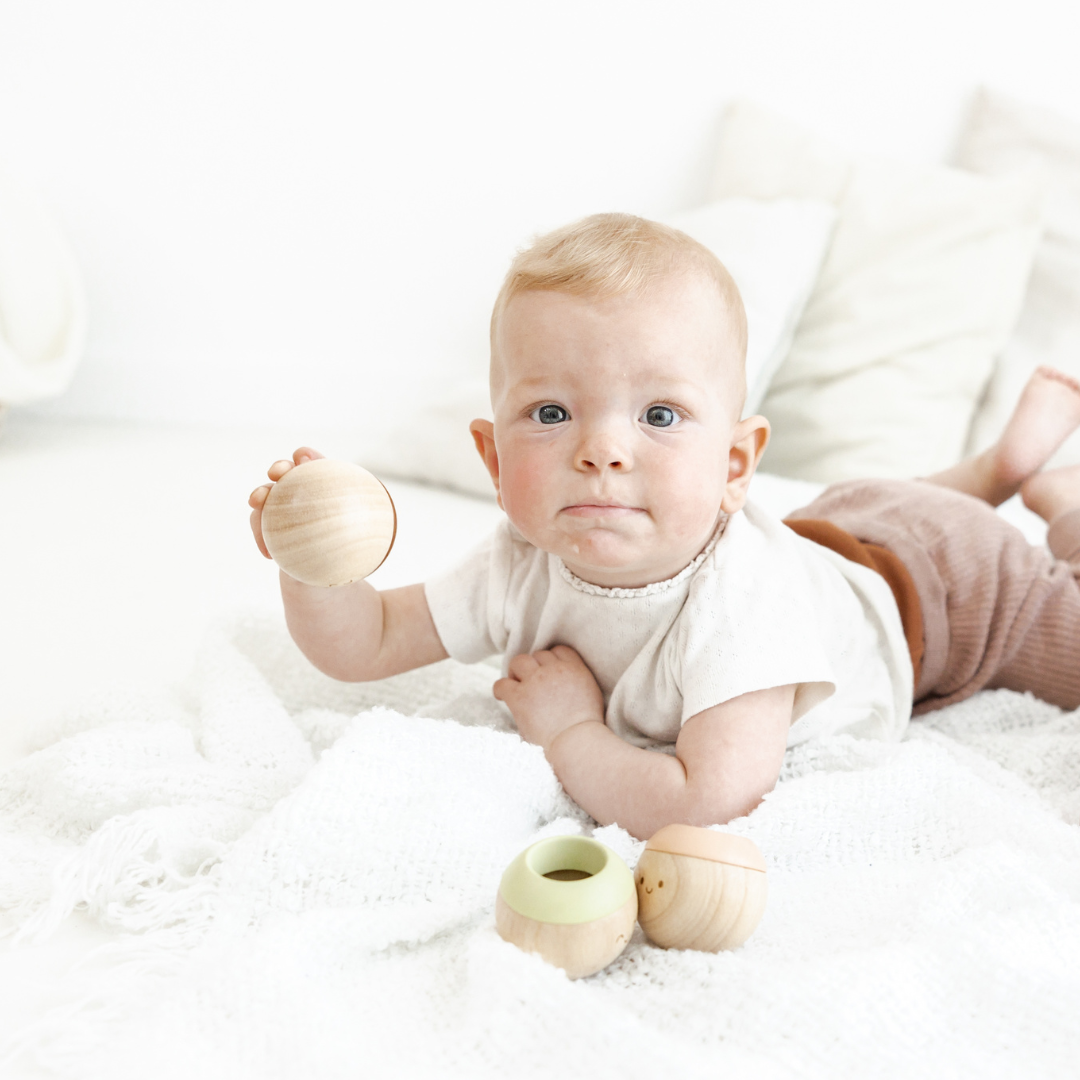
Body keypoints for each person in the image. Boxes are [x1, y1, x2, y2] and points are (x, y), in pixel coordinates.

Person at [248, 213, 1080, 841]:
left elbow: (710, 799)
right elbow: (364, 644)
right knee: (869, 513)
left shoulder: (742, 606)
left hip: (953, 591)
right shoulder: (519, 560)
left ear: (733, 465)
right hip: (837, 526)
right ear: (495, 463)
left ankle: (1051, 503)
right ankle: (996, 472)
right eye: (550, 412)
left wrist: (571, 732)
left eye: (658, 413)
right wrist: (312, 563)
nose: (602, 449)